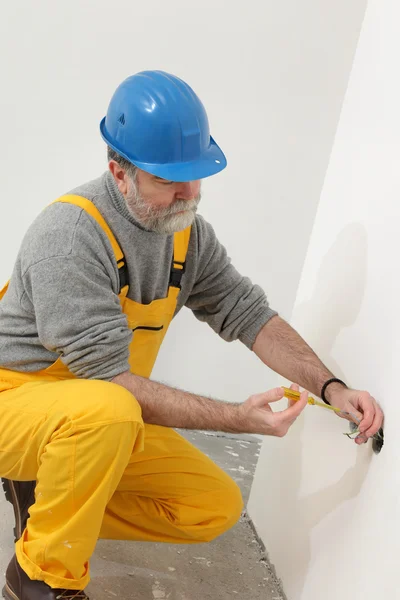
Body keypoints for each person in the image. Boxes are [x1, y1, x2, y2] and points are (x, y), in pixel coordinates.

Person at [0, 70, 383, 600]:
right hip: (17, 402)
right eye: (169, 179)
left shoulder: (186, 235)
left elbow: (248, 313)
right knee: (109, 409)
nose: (190, 193)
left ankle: (47, 498)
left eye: (196, 175)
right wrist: (237, 419)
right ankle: (40, 575)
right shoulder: (70, 236)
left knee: (211, 506)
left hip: (90, 411)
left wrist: (332, 387)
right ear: (119, 173)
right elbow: (112, 382)